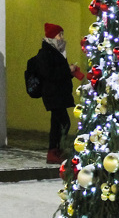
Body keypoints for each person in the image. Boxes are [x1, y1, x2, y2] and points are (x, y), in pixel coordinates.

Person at [34, 22, 84, 164]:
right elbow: (48, 73)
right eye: (59, 34)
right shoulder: (45, 53)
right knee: (64, 122)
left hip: (59, 93)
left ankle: (55, 151)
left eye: (62, 34)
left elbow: (59, 73)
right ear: (52, 36)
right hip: (52, 93)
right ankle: (56, 150)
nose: (62, 37)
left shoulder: (59, 51)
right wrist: (67, 70)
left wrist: (70, 71)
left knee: (56, 123)